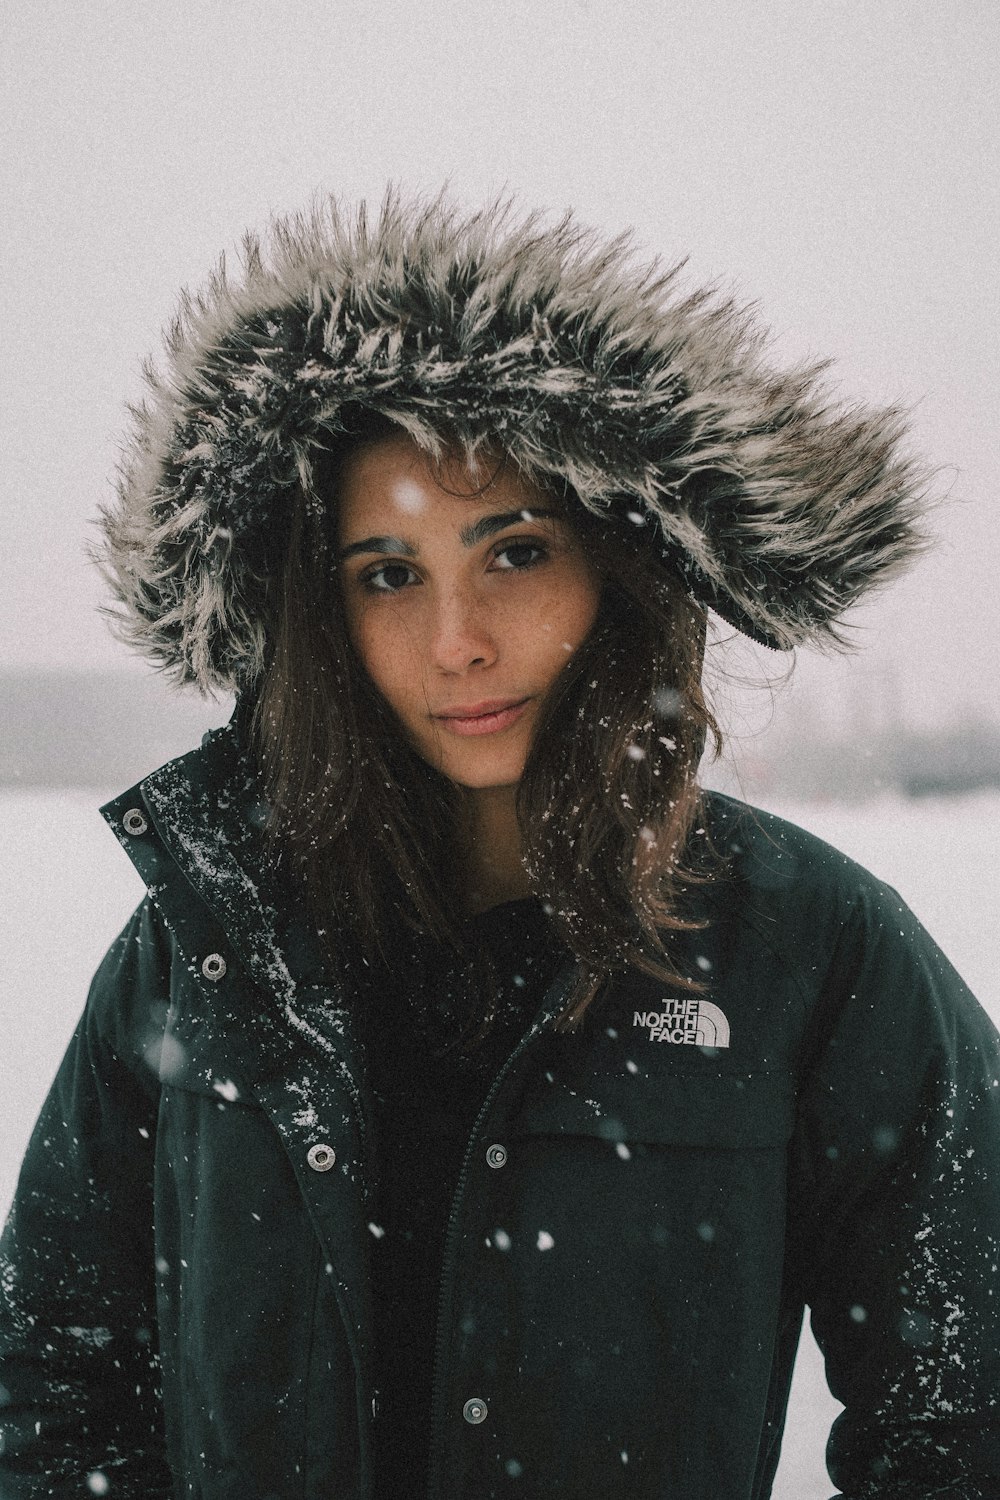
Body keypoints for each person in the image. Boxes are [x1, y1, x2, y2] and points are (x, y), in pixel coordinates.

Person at [1, 192, 997, 1500]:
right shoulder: (207, 947)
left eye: (514, 551)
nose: (457, 639)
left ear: (614, 566)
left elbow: (966, 1409)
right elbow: (53, 1384)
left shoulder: (808, 950)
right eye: (388, 571)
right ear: (322, 608)